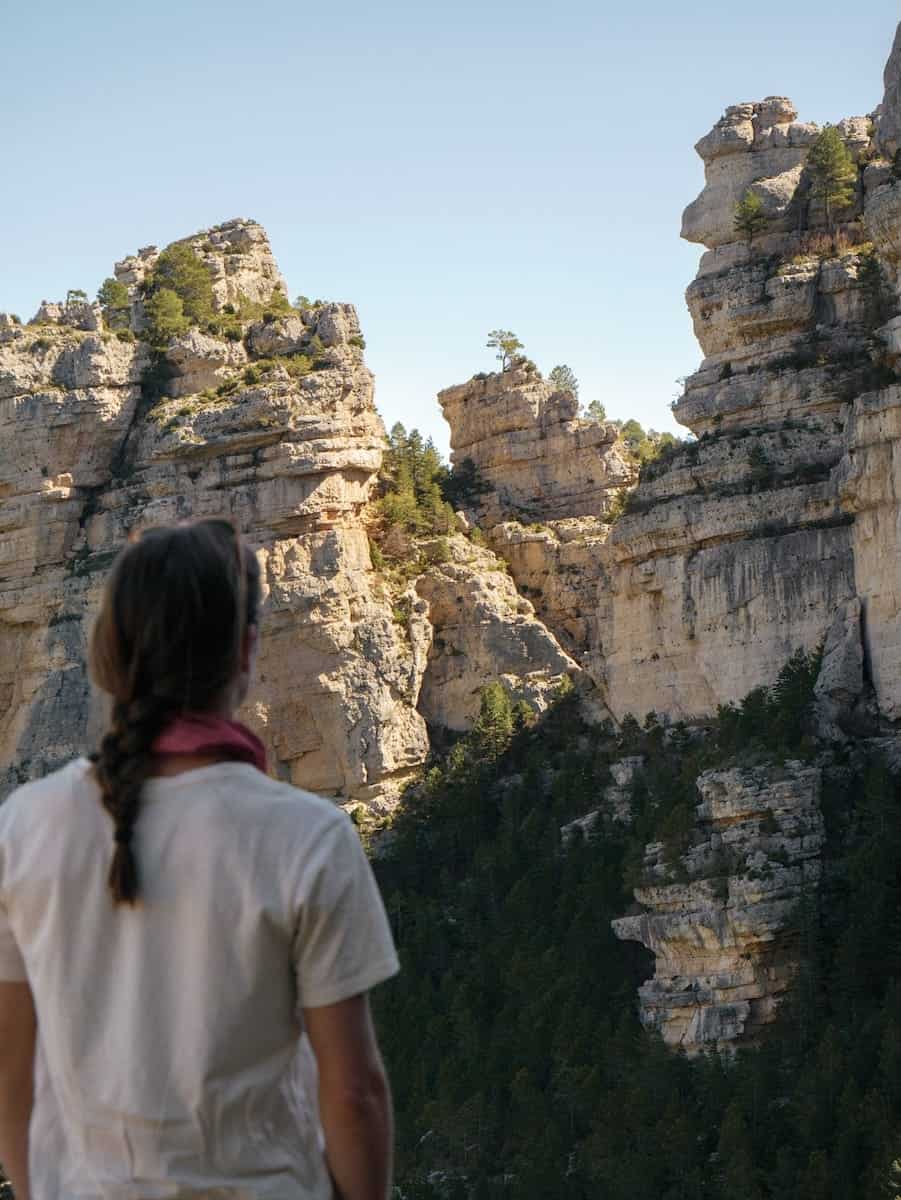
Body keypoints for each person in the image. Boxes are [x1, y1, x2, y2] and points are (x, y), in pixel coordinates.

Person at [0, 518, 399, 1200]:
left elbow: (10, 1066)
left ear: (106, 655)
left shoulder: (25, 824)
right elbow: (353, 1090)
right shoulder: (306, 836)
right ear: (244, 653)